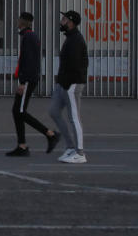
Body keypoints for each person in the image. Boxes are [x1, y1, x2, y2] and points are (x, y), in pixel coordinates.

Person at [7, 12, 60, 157]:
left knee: (21, 111)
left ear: (23, 22)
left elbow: (29, 62)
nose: (17, 22)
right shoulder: (29, 36)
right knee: (16, 111)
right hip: (29, 79)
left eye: (18, 19)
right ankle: (22, 146)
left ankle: (50, 134)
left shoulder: (29, 37)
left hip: (28, 80)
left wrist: (23, 82)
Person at [50, 10, 89, 164]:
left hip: (72, 85)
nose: (62, 21)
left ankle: (80, 153)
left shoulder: (76, 40)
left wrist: (66, 83)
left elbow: (77, 66)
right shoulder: (70, 38)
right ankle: (70, 147)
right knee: (53, 111)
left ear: (71, 22)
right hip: (63, 84)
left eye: (64, 19)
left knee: (74, 117)